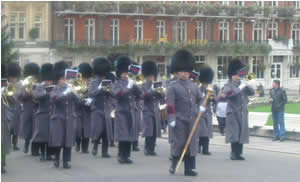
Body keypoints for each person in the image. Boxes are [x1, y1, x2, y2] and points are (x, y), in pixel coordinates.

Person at [167, 49, 203, 176]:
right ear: (177, 71)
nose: (184, 73)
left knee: (192, 143)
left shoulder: (193, 86)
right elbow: (170, 104)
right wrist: (171, 119)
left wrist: (201, 107)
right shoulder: (172, 86)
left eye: (186, 71)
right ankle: (174, 163)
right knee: (180, 142)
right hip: (179, 119)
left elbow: (200, 98)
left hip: (192, 119)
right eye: (182, 71)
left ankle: (189, 169)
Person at [112, 56, 143, 164]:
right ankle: (121, 155)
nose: (125, 74)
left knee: (130, 134)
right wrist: (128, 87)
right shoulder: (116, 83)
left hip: (131, 111)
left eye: (126, 72)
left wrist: (136, 85)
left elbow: (140, 94)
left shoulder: (131, 82)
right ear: (120, 73)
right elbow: (117, 94)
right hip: (121, 111)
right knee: (123, 134)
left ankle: (127, 155)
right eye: (123, 73)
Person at [49, 61, 79, 169]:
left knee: (68, 141)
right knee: (58, 141)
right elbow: (54, 99)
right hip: (58, 118)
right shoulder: (54, 89)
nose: (64, 81)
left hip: (70, 118)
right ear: (58, 80)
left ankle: (66, 161)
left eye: (65, 79)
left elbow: (78, 101)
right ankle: (56, 160)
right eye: (62, 79)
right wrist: (65, 93)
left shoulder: (70, 89)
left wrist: (74, 92)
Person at [223, 59, 255, 161]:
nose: (238, 77)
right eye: (235, 75)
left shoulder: (242, 84)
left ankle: (239, 153)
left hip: (242, 113)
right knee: (234, 134)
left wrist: (247, 85)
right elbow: (228, 94)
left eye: (238, 75)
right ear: (231, 76)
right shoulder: (228, 85)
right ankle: (233, 153)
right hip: (233, 113)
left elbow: (252, 93)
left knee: (242, 133)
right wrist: (239, 88)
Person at [88, 57, 114, 158]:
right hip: (97, 108)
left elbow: (114, 94)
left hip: (107, 108)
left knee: (106, 131)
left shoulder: (109, 81)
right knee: (98, 129)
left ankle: (105, 151)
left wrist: (109, 90)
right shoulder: (93, 82)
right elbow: (91, 94)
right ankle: (95, 145)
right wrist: (99, 88)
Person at [31, 63, 55, 161]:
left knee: (51, 135)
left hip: (52, 113)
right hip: (42, 113)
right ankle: (42, 154)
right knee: (41, 135)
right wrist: (46, 93)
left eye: (50, 80)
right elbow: (36, 96)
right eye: (47, 80)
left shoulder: (55, 86)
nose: (48, 82)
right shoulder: (39, 86)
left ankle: (49, 154)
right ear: (44, 78)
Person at [141, 60, 164, 156]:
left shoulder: (157, 84)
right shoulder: (143, 85)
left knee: (155, 130)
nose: (152, 77)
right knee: (149, 130)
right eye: (150, 76)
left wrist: (161, 92)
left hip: (156, 109)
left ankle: (152, 148)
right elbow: (144, 96)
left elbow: (162, 97)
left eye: (152, 75)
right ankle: (147, 148)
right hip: (147, 109)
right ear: (147, 75)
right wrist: (152, 90)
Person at [17, 63, 40, 156]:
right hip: (27, 107)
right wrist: (27, 92)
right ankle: (26, 145)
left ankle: (35, 150)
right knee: (27, 128)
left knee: (36, 129)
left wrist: (35, 93)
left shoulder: (38, 83)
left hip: (36, 108)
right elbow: (20, 97)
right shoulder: (24, 83)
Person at [75, 63, 93, 153]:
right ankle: (78, 144)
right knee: (78, 128)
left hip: (87, 109)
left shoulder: (91, 82)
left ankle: (85, 148)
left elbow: (92, 93)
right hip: (78, 108)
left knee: (86, 129)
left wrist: (90, 100)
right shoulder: (77, 81)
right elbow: (75, 93)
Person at [198, 65, 215, 155]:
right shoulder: (199, 89)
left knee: (207, 132)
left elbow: (215, 100)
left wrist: (212, 97)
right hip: (200, 113)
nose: (206, 84)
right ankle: (198, 146)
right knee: (201, 131)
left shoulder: (210, 89)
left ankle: (205, 149)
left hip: (207, 113)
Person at [5, 62, 22, 151]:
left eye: (14, 77)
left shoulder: (19, 84)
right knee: (7, 127)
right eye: (12, 77)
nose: (13, 79)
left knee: (16, 126)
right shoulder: (6, 84)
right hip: (7, 108)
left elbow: (18, 96)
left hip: (16, 108)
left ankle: (14, 144)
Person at [1, 64, 11, 173]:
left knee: (2, 144)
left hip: (2, 120)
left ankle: (2, 165)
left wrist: (6, 93)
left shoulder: (5, 87)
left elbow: (13, 102)